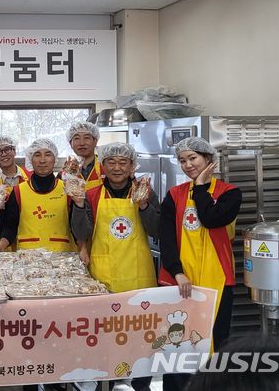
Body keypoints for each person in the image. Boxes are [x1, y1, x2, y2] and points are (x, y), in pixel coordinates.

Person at [159, 137, 241, 391]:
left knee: (215, 341)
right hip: (182, 280)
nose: (187, 165)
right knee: (178, 341)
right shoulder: (174, 195)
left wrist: (202, 187)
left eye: (193, 158)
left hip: (218, 279)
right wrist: (177, 272)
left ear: (208, 160)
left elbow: (211, 219)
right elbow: (167, 239)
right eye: (182, 160)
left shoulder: (230, 193)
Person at [83, 142, 157, 391]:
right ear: (102, 165)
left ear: (132, 165)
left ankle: (141, 382)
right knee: (106, 333)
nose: (117, 168)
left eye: (123, 162)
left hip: (139, 272)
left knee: (142, 332)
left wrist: (145, 206)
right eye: (111, 162)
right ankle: (108, 381)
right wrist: (78, 204)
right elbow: (80, 231)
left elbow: (157, 229)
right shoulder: (91, 193)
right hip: (104, 273)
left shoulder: (143, 190)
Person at [0, 138, 92, 253]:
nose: (42, 160)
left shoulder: (69, 190)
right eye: (37, 155)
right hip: (29, 259)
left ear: (55, 159)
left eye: (48, 154)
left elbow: (77, 227)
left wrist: (82, 247)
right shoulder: (18, 191)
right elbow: (10, 226)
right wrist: (2, 244)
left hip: (62, 259)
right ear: (30, 160)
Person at [65, 121, 104, 190]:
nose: (82, 143)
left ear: (95, 141)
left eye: (87, 137)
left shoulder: (105, 167)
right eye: (76, 138)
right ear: (70, 143)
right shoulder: (65, 172)